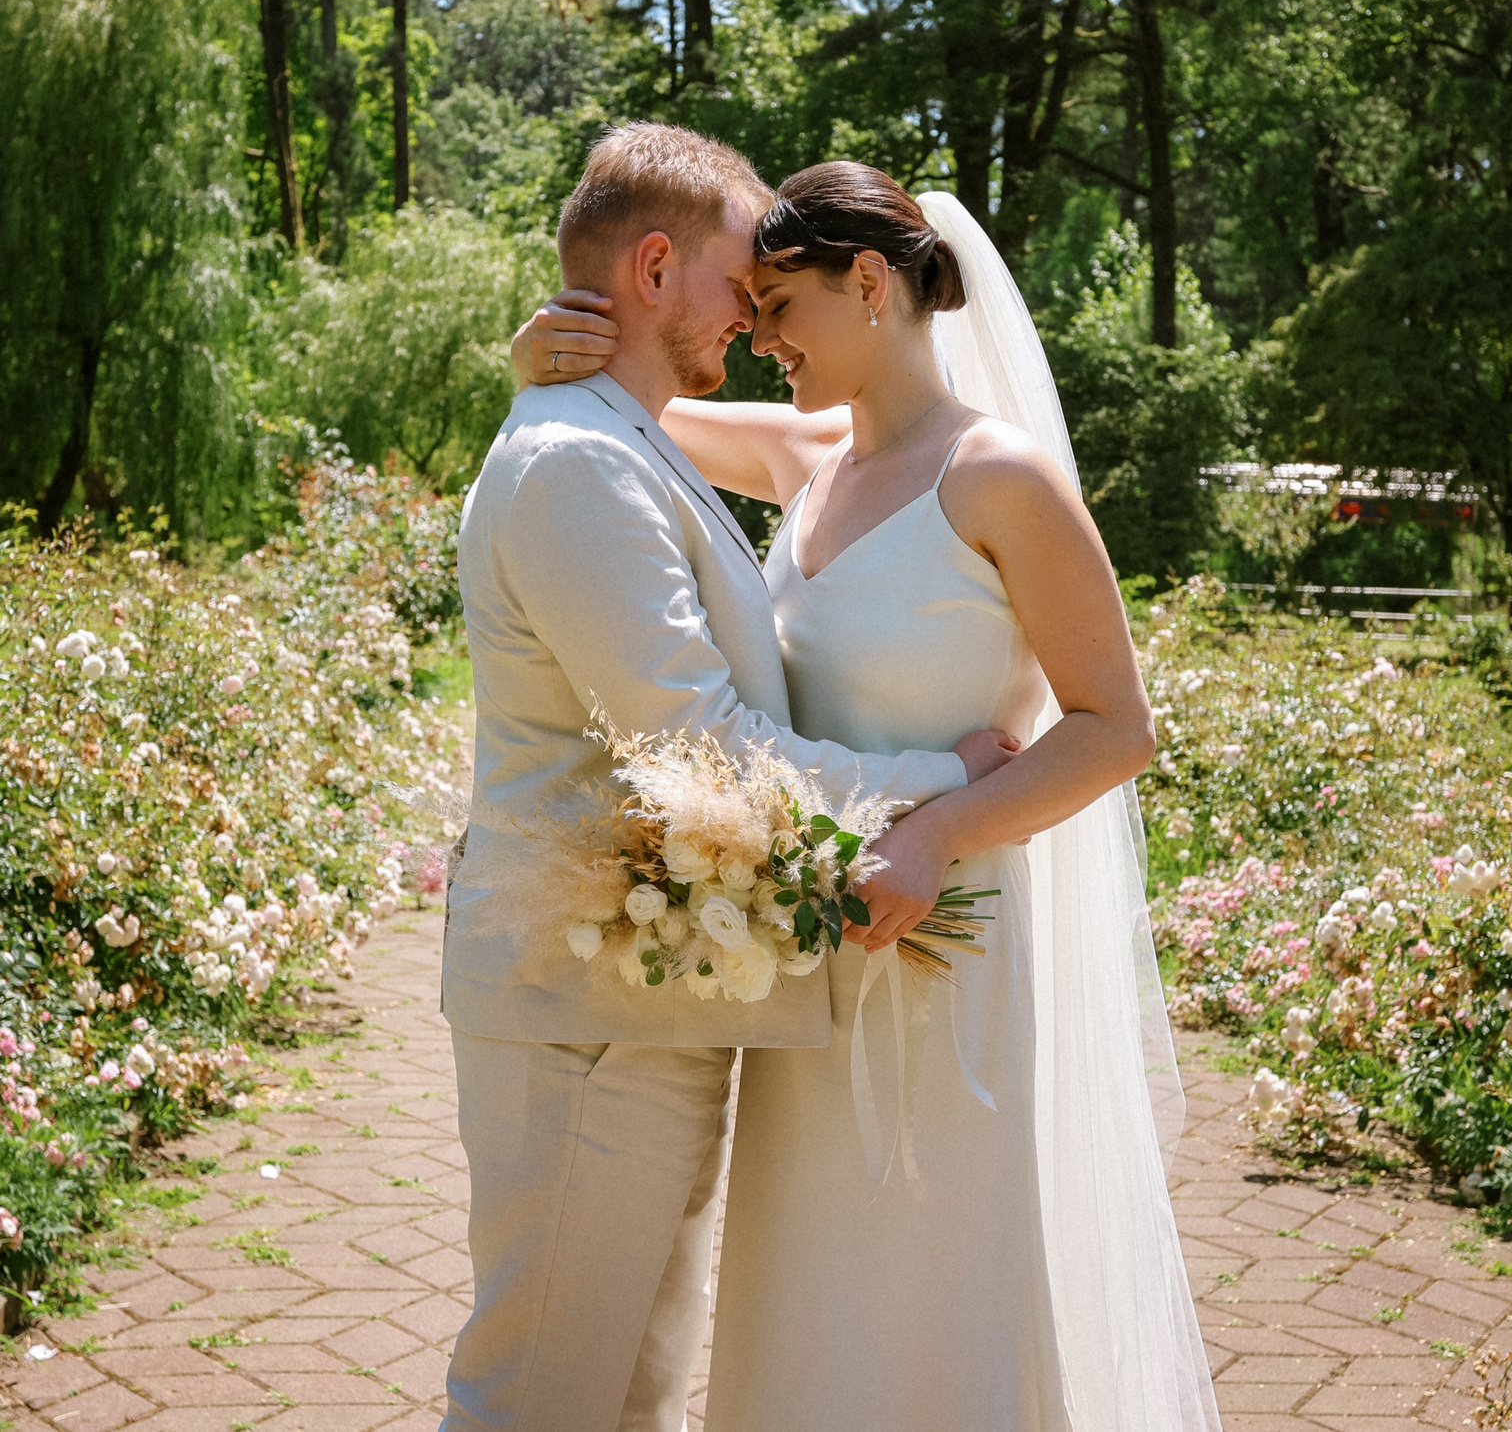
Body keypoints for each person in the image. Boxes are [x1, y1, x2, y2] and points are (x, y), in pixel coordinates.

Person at [509, 161, 1221, 1430]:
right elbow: (621, 411)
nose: (761, 334)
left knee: (935, 1276)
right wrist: (539, 346)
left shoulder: (999, 479)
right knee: (809, 1284)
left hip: (946, 947)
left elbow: (1116, 728)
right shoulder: (812, 458)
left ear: (873, 285)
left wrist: (939, 827)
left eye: (783, 304)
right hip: (809, 945)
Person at [444, 124, 1021, 1432]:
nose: (755, 316)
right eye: (736, 283)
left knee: (626, 1391)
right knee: (538, 1395)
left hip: (646, 999)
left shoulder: (621, 438)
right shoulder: (581, 461)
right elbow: (702, 741)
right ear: (655, 268)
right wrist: (949, 770)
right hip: (585, 1021)